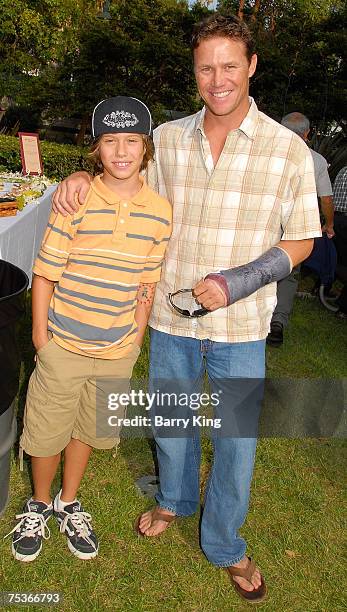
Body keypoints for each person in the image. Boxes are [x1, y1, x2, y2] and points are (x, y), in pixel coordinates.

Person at [52, 15, 321, 603]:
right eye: (206, 67)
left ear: (251, 66)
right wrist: (79, 173)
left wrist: (240, 280)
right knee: (172, 423)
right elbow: (118, 175)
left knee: (236, 441)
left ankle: (224, 541)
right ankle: (173, 500)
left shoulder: (288, 150)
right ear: (194, 72)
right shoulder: (168, 138)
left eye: (230, 65)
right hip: (170, 317)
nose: (217, 78)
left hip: (243, 325)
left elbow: (303, 239)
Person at [6, 96, 172, 562]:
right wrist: (42, 338)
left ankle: (68, 501)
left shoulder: (159, 211)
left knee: (88, 429)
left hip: (115, 349)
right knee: (45, 430)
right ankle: (39, 503)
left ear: (146, 147)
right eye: (110, 141)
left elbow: (147, 280)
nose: (122, 151)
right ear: (96, 149)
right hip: (62, 343)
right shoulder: (75, 199)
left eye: (132, 140)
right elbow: (46, 272)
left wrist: (135, 337)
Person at [267, 111, 333, 346]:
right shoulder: (316, 160)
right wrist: (329, 224)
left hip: (266, 223)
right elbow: (325, 198)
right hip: (296, 226)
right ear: (307, 133)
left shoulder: (266, 152)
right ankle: (277, 323)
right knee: (289, 274)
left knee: (259, 267)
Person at [333, 166, 347, 319]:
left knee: (335, 254)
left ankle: (320, 288)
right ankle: (343, 309)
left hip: (336, 219)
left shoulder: (343, 170)